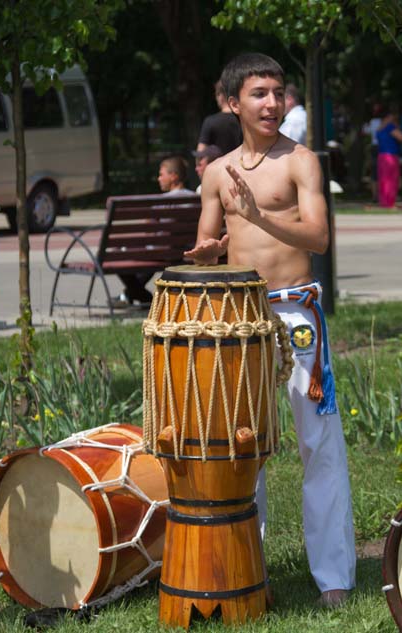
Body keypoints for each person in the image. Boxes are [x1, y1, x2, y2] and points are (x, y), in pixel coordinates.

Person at [184, 52, 355, 609]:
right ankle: (243, 567)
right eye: (259, 93)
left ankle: (334, 577)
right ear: (232, 103)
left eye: (278, 93)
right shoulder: (216, 173)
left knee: (317, 442)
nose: (272, 103)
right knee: (241, 446)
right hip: (240, 318)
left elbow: (318, 238)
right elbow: (205, 250)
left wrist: (258, 216)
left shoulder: (301, 162)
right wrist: (207, 254)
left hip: (296, 315)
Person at [117, 156, 198, 306]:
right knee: (153, 253)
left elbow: (150, 233)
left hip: (163, 251)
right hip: (187, 251)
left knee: (119, 254)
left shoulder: (162, 201)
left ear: (174, 176)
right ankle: (130, 295)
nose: (158, 178)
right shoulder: (196, 199)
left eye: (161, 174)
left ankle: (147, 300)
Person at [197, 80, 243, 157]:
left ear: (220, 96)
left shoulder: (210, 121)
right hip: (242, 165)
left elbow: (201, 151)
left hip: (217, 166)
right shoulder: (244, 120)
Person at [376, 110, 402, 208]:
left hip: (381, 156)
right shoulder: (390, 127)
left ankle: (384, 202)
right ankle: (390, 202)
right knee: (391, 179)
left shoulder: (379, 128)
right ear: (388, 117)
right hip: (390, 156)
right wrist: (398, 127)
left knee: (383, 179)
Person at [363, 103, 384, 201]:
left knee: (374, 173)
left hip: (374, 147)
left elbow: (364, 131)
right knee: (381, 172)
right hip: (382, 147)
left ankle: (374, 195)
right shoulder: (383, 121)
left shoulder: (371, 122)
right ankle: (380, 195)